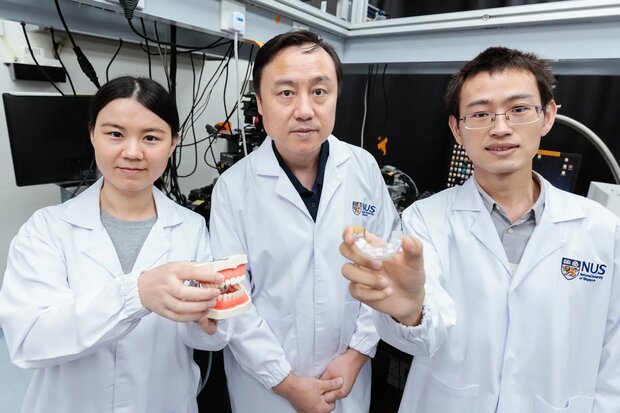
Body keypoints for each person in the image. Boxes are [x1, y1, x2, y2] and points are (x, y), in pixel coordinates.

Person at [340, 46, 620, 412]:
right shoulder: (426, 220)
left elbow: (614, 357)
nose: (500, 127)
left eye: (518, 109)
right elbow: (424, 337)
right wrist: (410, 313)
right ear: (457, 129)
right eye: (480, 114)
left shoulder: (602, 230)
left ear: (547, 116)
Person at [0, 76, 233, 413]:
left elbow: (202, 338)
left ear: (173, 143)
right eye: (115, 134)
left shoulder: (191, 228)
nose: (133, 152)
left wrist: (208, 324)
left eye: (151, 137)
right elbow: (29, 341)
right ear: (92, 133)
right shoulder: (47, 230)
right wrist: (135, 295)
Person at [209, 30, 400, 412]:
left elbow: (386, 267)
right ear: (260, 103)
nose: (304, 110)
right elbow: (233, 298)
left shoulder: (362, 168)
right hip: (266, 389)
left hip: (345, 378)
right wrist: (286, 383)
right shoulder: (233, 188)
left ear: (336, 97)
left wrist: (358, 353)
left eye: (319, 91)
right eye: (285, 92)